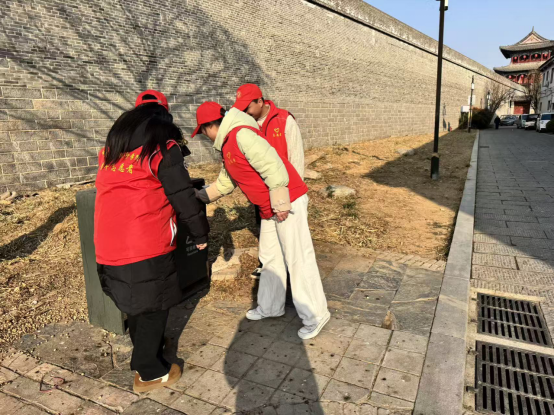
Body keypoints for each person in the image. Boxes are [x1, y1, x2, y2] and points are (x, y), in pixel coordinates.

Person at [94, 90, 210, 393]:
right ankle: (150, 372)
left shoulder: (111, 150)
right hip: (145, 244)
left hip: (107, 243)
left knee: (137, 305)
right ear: (164, 116)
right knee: (154, 307)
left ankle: (151, 348)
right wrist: (200, 234)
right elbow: (183, 196)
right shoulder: (162, 148)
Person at [193, 102, 330, 340]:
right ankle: (270, 306)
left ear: (209, 126)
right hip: (269, 207)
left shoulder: (241, 135)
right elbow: (226, 182)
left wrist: (280, 202)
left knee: (297, 258)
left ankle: (316, 315)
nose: (205, 136)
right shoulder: (228, 144)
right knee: (270, 257)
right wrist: (199, 196)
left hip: (286, 202)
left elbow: (272, 165)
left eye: (203, 131)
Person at [233, 84, 305, 277]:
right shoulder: (247, 125)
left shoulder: (284, 120)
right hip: (262, 189)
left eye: (247, 107)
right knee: (266, 230)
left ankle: (291, 268)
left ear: (260, 101)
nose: (245, 112)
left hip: (284, 188)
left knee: (287, 230)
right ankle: (268, 265)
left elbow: (296, 157)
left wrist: (292, 193)